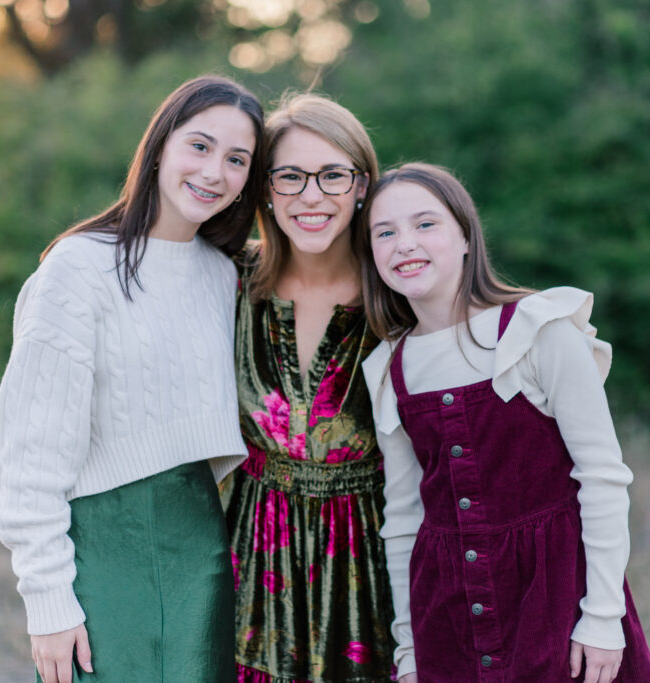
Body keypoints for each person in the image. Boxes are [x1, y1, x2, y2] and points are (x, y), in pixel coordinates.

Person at [0, 75, 265, 683]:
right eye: (200, 146)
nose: (215, 171)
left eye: (236, 159)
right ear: (160, 145)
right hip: (105, 549)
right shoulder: (79, 268)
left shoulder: (224, 277)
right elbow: (27, 454)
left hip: (202, 552)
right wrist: (47, 602)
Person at [357, 163, 650, 683]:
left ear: (467, 236)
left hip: (556, 599)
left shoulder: (538, 330)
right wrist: (408, 650)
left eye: (425, 224)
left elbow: (603, 478)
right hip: (447, 619)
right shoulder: (389, 368)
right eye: (385, 232)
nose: (405, 243)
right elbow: (404, 519)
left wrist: (603, 618)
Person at [220, 93, 397, 682]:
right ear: (266, 188)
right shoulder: (229, 281)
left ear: (363, 185)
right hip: (257, 552)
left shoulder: (398, 294)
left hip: (371, 558)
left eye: (332, 175)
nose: (312, 196)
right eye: (291, 176)